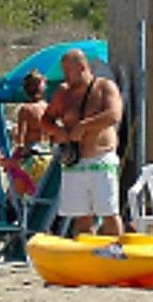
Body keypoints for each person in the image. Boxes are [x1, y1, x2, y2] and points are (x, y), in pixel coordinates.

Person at [42, 48, 124, 237]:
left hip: (100, 157)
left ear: (82, 67)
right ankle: (86, 253)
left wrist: (85, 126)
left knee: (109, 212)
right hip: (75, 160)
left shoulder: (104, 87)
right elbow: (46, 119)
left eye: (68, 71)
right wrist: (58, 131)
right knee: (81, 215)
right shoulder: (63, 92)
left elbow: (114, 114)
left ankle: (115, 253)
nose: (65, 76)